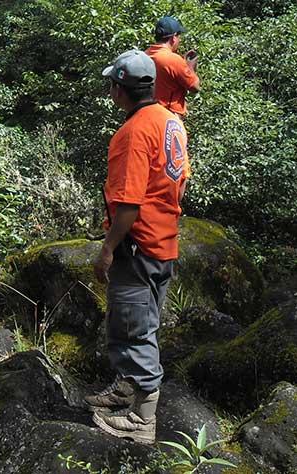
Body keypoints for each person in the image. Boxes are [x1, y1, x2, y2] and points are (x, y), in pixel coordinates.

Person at [85, 50, 189, 444]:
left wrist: (108, 249)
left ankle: (142, 421)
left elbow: (128, 203)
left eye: (112, 83)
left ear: (118, 89)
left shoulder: (132, 133)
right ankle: (127, 387)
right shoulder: (170, 121)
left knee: (132, 328)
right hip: (165, 240)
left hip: (137, 245)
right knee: (142, 320)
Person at [145, 16, 200, 118]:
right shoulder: (173, 60)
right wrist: (190, 67)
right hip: (168, 117)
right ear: (174, 37)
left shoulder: (145, 55)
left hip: (147, 113)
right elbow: (195, 87)